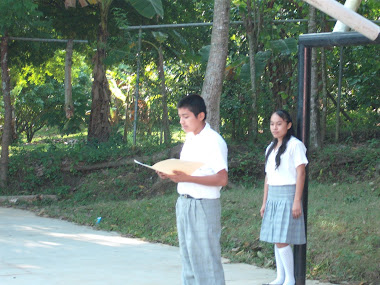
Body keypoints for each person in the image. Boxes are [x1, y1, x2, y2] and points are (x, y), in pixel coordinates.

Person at [157, 94, 228, 285]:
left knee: (206, 261)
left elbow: (222, 178)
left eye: (186, 116)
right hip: (184, 203)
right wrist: (169, 173)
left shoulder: (214, 141)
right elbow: (186, 172)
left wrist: (187, 178)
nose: (182, 121)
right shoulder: (190, 139)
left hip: (203, 205)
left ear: (201, 116)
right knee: (188, 259)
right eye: (180, 116)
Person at [259, 110, 308, 285]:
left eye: (279, 123)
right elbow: (268, 177)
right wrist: (264, 202)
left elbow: (301, 173)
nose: (275, 127)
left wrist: (297, 200)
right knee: (275, 237)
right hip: (273, 195)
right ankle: (280, 277)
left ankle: (290, 279)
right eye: (272, 124)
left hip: (288, 194)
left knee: (281, 238)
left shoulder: (295, 145)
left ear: (288, 125)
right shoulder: (270, 148)